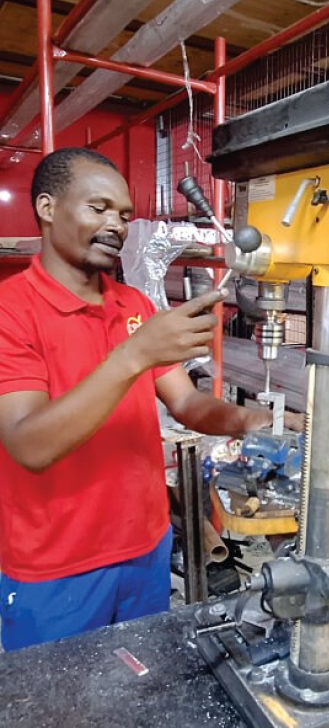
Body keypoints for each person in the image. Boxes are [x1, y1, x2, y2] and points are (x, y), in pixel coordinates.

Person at [0, 147, 281, 652]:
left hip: (145, 549)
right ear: (47, 208)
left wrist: (248, 420)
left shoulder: (134, 305)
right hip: (57, 566)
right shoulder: (11, 311)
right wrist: (134, 353)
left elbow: (188, 405)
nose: (116, 224)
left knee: (142, 688)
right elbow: (28, 444)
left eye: (125, 215)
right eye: (98, 208)